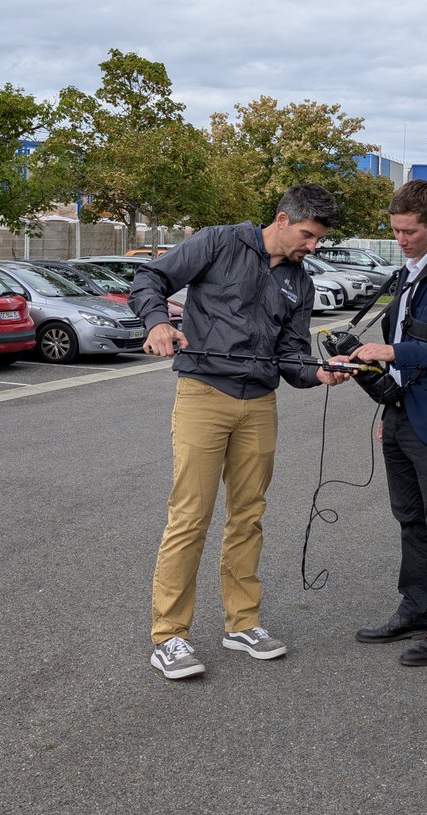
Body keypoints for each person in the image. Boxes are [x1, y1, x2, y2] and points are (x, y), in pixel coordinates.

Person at [130, 184, 350, 681]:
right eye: (308, 235)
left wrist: (321, 372)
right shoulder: (219, 242)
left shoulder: (300, 283)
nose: (312, 247)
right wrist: (156, 322)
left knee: (248, 516)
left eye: (318, 240)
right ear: (281, 219)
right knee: (191, 516)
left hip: (260, 403)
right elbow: (149, 277)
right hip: (204, 395)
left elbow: (293, 356)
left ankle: (242, 623)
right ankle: (169, 636)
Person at [339, 180, 427, 666]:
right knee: (410, 521)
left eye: (410, 231)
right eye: (395, 230)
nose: (400, 239)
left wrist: (393, 350)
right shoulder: (409, 271)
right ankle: (416, 609)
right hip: (401, 414)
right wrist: (388, 405)